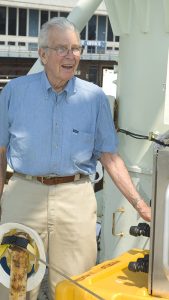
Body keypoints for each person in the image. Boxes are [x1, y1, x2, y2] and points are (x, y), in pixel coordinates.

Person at [0, 17, 151, 300]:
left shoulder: (94, 98)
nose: (71, 56)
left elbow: (110, 157)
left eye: (76, 48)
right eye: (62, 49)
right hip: (23, 195)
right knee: (14, 287)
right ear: (42, 54)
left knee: (75, 288)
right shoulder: (14, 92)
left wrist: (142, 207)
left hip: (76, 200)